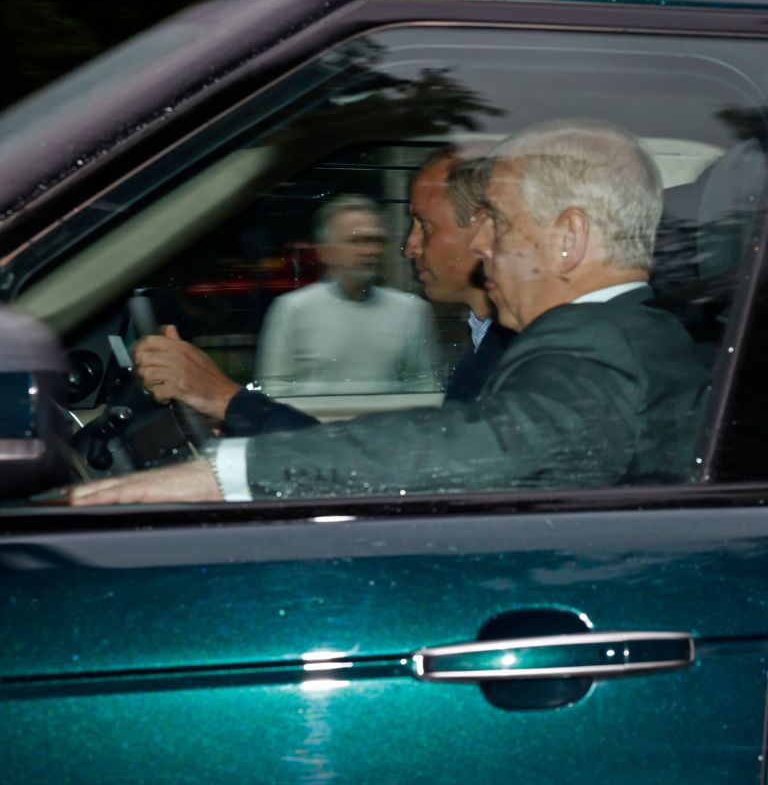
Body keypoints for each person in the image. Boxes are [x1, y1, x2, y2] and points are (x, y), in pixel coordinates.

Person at [71, 118, 712, 504]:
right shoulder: (626, 333)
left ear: (568, 239)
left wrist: (221, 476)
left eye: (499, 222)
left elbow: (484, 447)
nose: (482, 244)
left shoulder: (602, 348)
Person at [133, 149, 508, 434]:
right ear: (327, 252)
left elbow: (407, 468)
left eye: (424, 226)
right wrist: (235, 412)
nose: (407, 248)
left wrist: (225, 400)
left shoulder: (509, 357)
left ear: (482, 232)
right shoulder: (488, 346)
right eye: (355, 241)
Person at [251, 194, 439, 397]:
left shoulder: (411, 310)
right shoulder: (292, 309)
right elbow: (274, 392)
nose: (370, 250)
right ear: (326, 253)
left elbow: (424, 389)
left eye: (375, 240)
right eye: (356, 240)